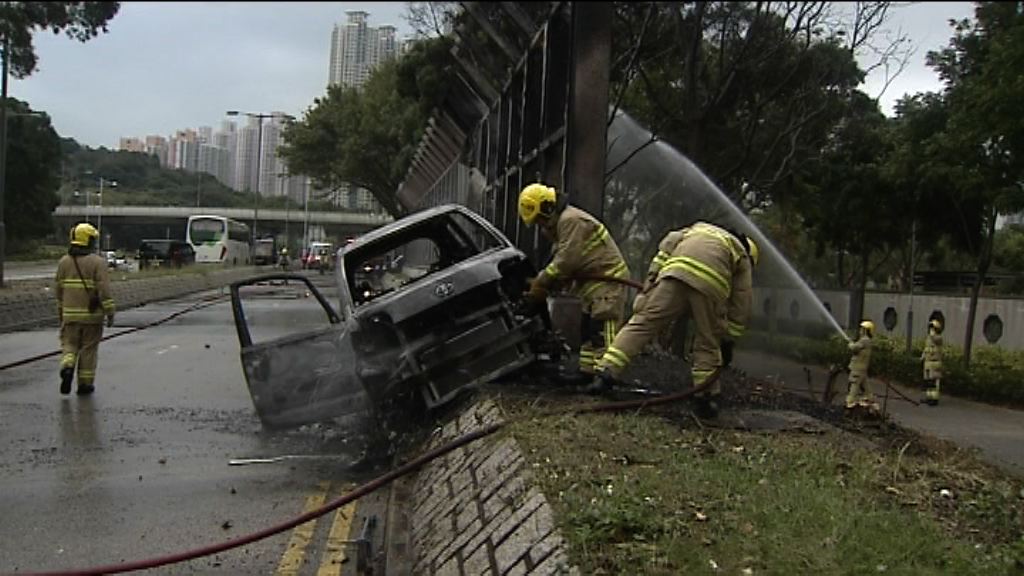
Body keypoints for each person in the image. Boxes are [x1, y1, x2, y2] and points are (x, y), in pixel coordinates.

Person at [591, 221, 759, 418]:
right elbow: (741, 300)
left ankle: (605, 372)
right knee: (708, 341)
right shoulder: (741, 253)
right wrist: (728, 339)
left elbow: (666, 247)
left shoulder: (698, 228)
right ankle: (705, 398)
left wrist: (650, 284)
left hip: (673, 275)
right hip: (710, 286)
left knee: (642, 323)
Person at [517, 183, 630, 384]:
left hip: (608, 280)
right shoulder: (561, 226)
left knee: (602, 329)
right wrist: (546, 286)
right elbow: (562, 265)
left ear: (548, 207)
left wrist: (541, 281)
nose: (541, 226)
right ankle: (588, 373)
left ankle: (606, 376)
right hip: (591, 284)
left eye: (540, 220)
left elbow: (567, 260)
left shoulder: (570, 220)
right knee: (588, 330)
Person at [54, 223, 116, 396]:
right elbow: (104, 291)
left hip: (69, 316)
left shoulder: (64, 262)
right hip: (92, 317)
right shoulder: (98, 263)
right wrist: (110, 312)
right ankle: (85, 385)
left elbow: (58, 290)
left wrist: (61, 312)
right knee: (88, 350)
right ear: (88, 241)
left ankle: (67, 366)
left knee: (69, 345)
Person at [845, 320, 875, 409]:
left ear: (866, 330)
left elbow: (854, 348)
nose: (860, 331)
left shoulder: (864, 340)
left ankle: (850, 401)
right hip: (862, 368)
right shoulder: (867, 340)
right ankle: (869, 398)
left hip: (857, 368)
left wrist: (850, 344)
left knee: (855, 383)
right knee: (865, 384)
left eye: (862, 329)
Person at [922, 319, 943, 406]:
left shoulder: (938, 338)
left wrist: (932, 334)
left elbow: (935, 339)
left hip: (935, 362)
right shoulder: (928, 338)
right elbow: (926, 348)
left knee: (934, 382)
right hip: (928, 362)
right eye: (930, 327)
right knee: (928, 382)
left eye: (933, 328)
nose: (931, 329)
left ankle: (934, 399)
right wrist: (923, 356)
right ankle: (929, 398)